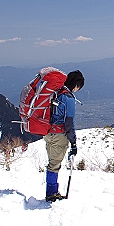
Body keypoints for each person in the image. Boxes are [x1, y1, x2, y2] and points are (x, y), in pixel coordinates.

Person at [45, 70, 84, 201]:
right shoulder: (68, 98)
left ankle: (51, 191)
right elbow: (69, 122)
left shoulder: (55, 93)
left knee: (52, 163)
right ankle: (51, 194)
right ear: (76, 85)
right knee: (54, 165)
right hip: (59, 135)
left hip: (48, 133)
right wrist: (73, 142)